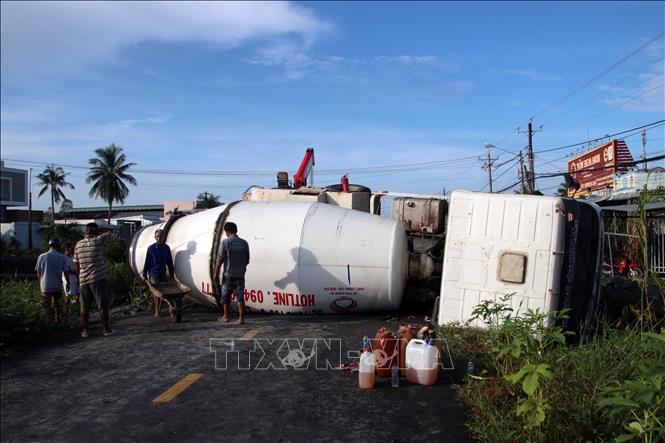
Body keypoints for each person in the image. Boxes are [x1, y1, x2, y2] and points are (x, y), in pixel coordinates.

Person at [74, 223, 113, 338]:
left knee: (84, 306)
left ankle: (85, 330)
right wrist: (100, 230)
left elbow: (76, 264)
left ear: (85, 232)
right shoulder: (98, 240)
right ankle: (106, 329)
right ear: (96, 232)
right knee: (102, 305)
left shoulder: (78, 245)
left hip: (83, 279)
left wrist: (79, 277)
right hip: (98, 278)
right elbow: (110, 232)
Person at [213, 222, 250, 324]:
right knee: (240, 297)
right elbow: (247, 259)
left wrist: (215, 274)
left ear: (227, 231)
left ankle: (226, 316)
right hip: (240, 275)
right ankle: (241, 318)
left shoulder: (225, 242)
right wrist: (241, 268)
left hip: (228, 275)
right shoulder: (244, 243)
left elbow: (219, 260)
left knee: (225, 296)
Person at [142, 229, 175, 317]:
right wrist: (144, 274)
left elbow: (169, 262)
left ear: (164, 237)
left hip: (162, 273)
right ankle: (157, 312)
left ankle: (153, 307)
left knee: (162, 293)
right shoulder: (151, 248)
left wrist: (172, 274)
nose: (159, 238)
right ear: (155, 237)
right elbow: (147, 262)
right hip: (154, 274)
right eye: (157, 236)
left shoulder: (166, 248)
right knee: (157, 293)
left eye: (161, 236)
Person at [35, 238, 69, 322]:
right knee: (57, 305)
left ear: (49, 245)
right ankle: (58, 320)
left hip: (45, 285)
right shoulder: (62, 257)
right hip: (57, 285)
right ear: (58, 246)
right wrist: (68, 283)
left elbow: (39, 273)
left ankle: (47, 322)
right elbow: (66, 272)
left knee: (46, 306)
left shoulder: (42, 256)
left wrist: (41, 284)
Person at [61, 243, 80, 318]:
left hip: (76, 278)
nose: (72, 250)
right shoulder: (63, 258)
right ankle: (66, 312)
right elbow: (65, 270)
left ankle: (75, 310)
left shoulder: (73, 257)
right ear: (67, 249)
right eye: (71, 249)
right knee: (68, 296)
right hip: (68, 279)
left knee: (78, 295)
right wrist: (75, 272)